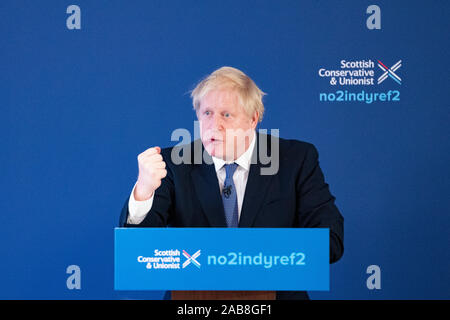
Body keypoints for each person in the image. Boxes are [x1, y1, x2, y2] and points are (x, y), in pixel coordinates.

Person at [119, 66, 344, 300]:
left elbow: (330, 241)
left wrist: (255, 260)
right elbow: (138, 252)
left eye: (226, 114)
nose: (215, 125)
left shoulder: (295, 159)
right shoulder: (172, 164)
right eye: (207, 113)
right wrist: (144, 191)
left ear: (253, 119)